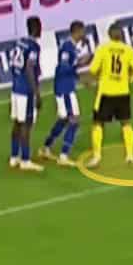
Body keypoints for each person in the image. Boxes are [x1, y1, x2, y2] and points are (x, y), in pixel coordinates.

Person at [84, 27, 133, 168]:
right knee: (126, 123)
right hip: (123, 92)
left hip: (106, 93)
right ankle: (130, 155)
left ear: (109, 35)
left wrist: (94, 80)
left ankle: (97, 156)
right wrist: (128, 80)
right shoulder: (128, 50)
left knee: (98, 123)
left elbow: (93, 69)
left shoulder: (103, 49)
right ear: (121, 35)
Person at [37, 20, 91, 165]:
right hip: (65, 88)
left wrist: (80, 77)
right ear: (77, 32)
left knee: (64, 119)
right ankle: (63, 156)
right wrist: (80, 63)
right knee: (74, 120)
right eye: (82, 31)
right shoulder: (67, 48)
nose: (84, 34)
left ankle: (46, 147)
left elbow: (70, 67)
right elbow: (63, 67)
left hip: (64, 86)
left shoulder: (70, 46)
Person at [4, 17, 44, 172]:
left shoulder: (19, 42)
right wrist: (37, 92)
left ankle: (14, 156)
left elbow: (14, 64)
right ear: (37, 28)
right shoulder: (33, 47)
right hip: (26, 91)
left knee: (17, 123)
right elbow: (29, 68)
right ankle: (25, 160)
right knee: (26, 125)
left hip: (16, 88)